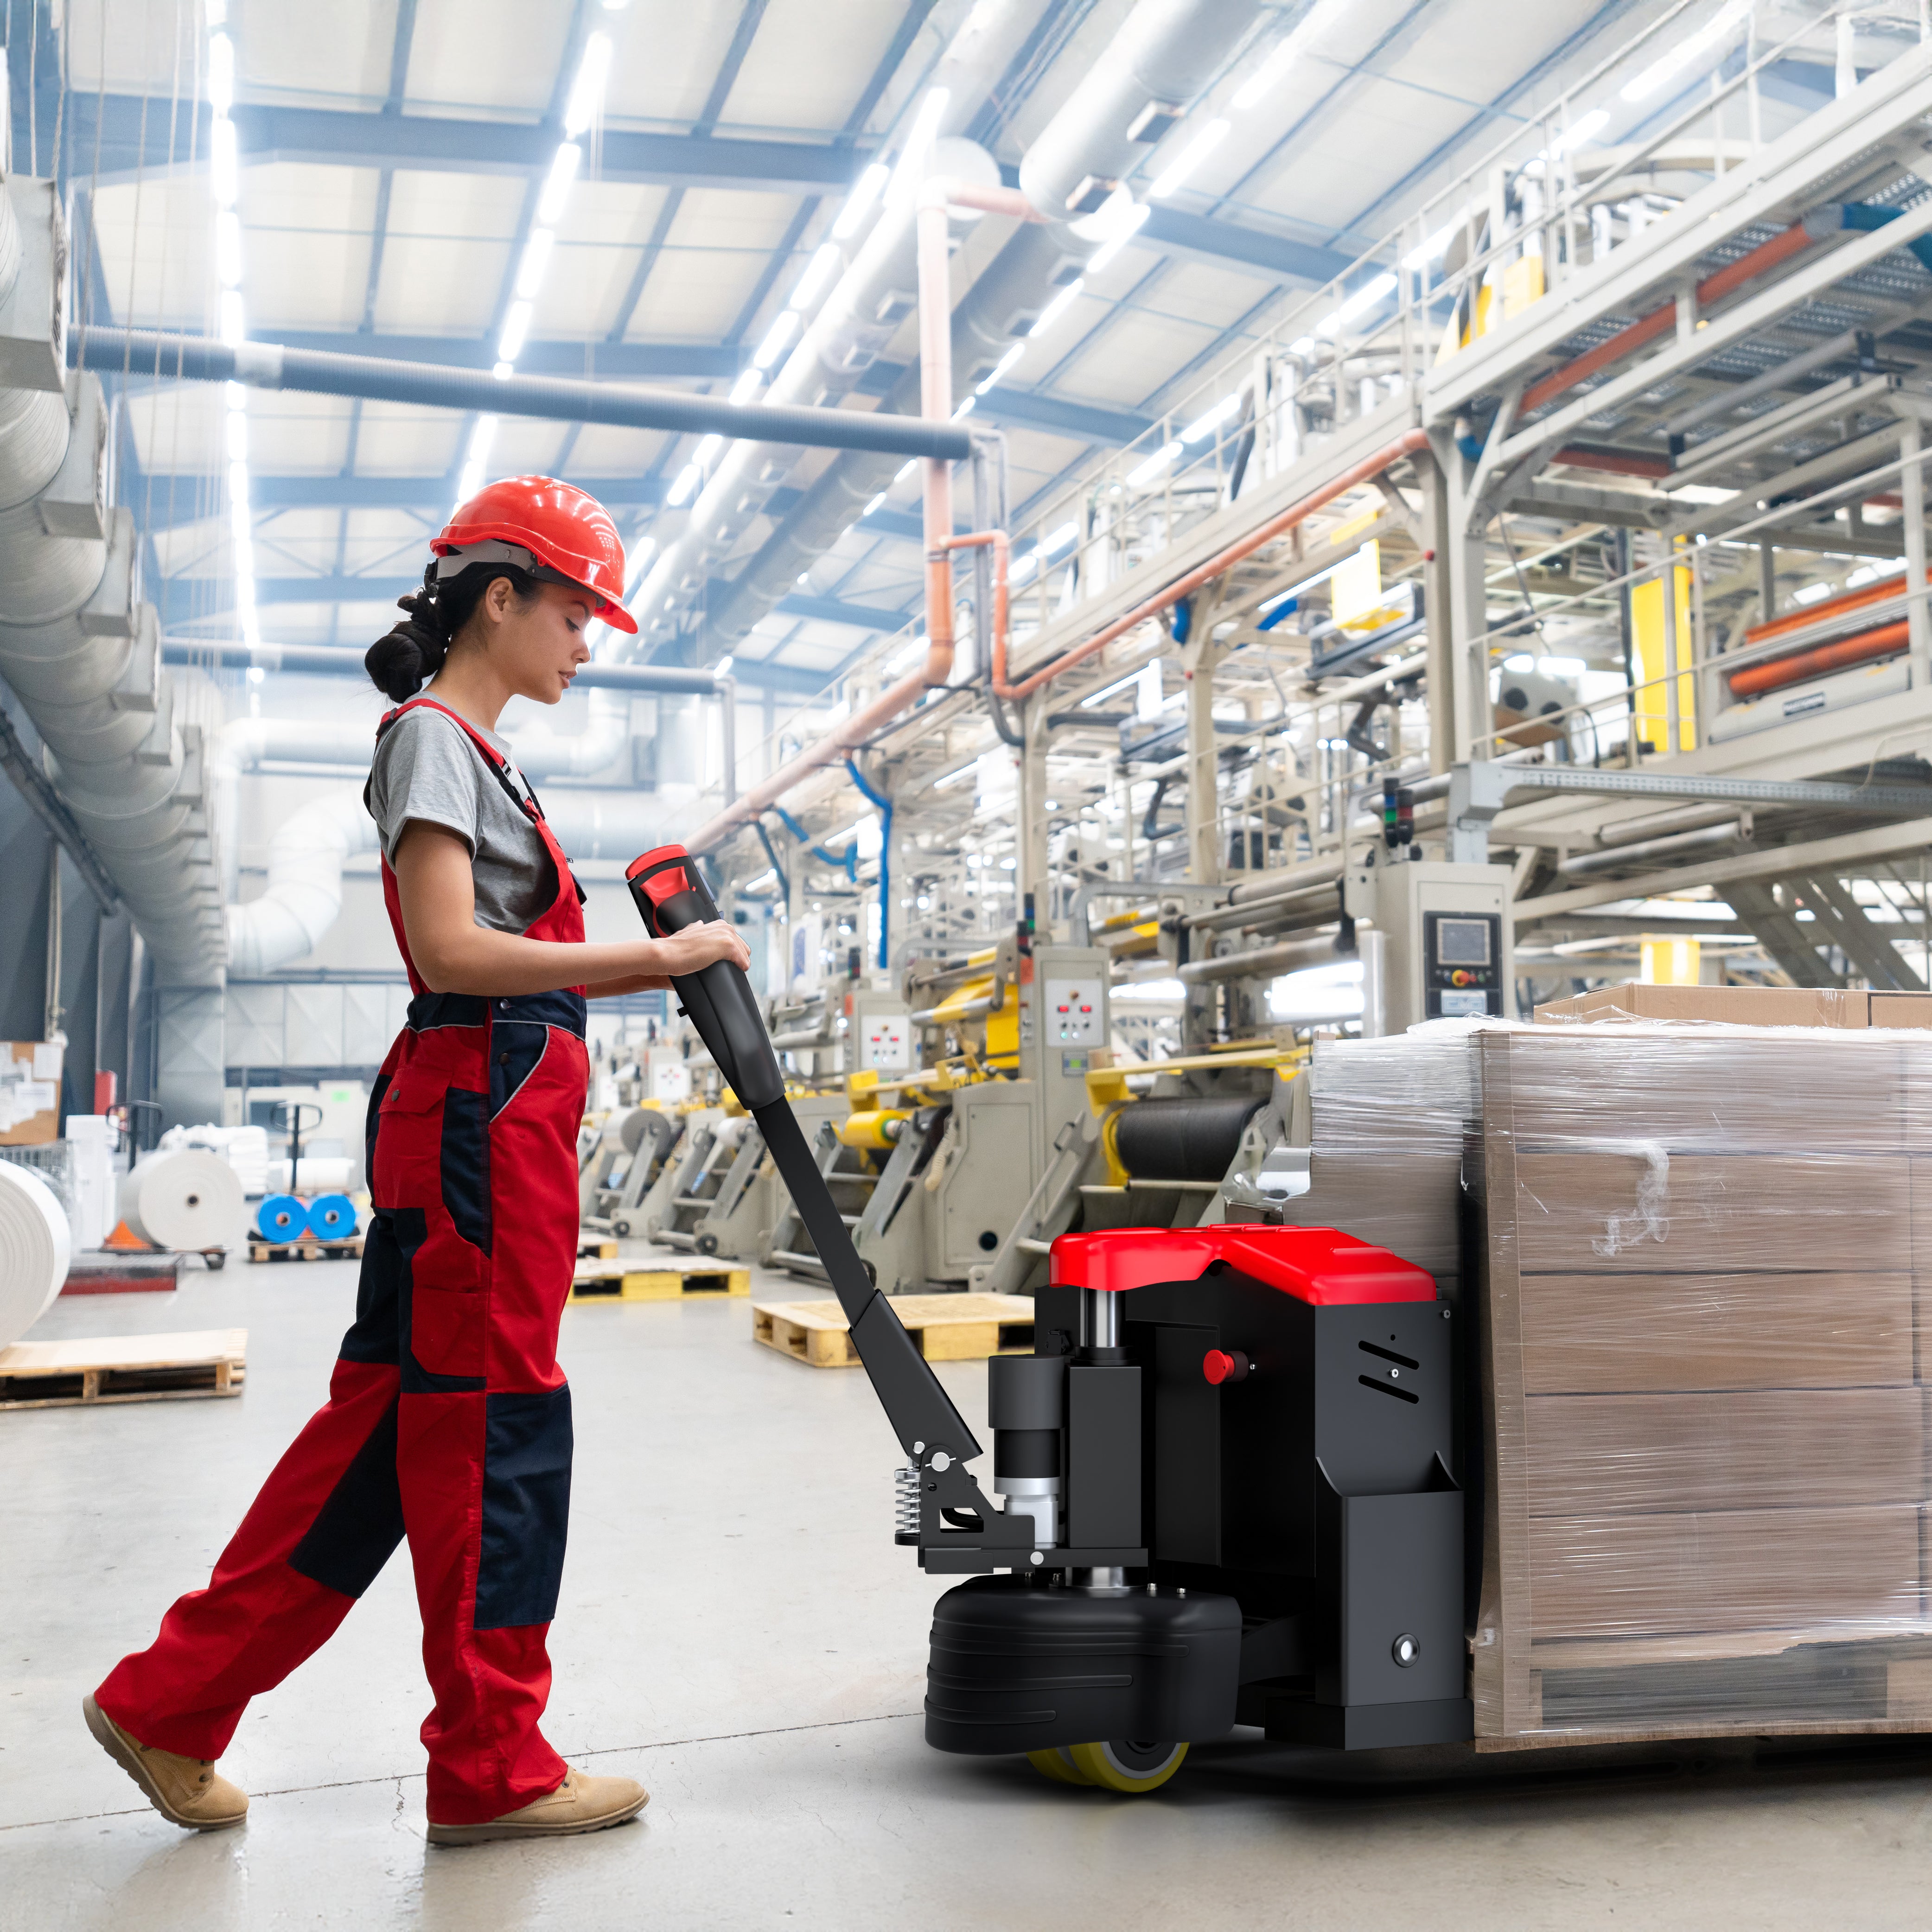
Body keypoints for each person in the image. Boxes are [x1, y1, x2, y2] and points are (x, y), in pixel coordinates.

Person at [83, 477, 750, 1847]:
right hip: (479, 1125)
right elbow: (451, 951)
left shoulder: (477, 749)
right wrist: (659, 958)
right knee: (492, 1427)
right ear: (497, 597)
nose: (587, 642)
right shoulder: (440, 737)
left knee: (389, 1436)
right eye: (573, 612)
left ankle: (170, 1700)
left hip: (479, 1118)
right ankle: (492, 1764)